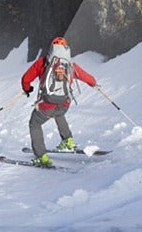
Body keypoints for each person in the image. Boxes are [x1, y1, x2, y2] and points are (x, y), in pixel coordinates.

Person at [21, 36, 97, 167]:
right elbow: (90, 79)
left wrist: (27, 89)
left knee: (35, 124)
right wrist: (94, 84)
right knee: (58, 113)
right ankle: (68, 140)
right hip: (64, 104)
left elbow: (25, 79)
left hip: (46, 105)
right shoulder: (70, 65)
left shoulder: (43, 62)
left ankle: (41, 156)